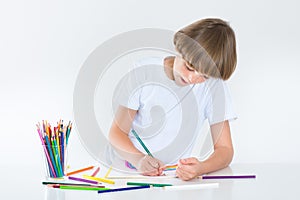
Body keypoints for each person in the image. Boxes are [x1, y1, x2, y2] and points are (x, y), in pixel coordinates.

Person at [108, 18, 237, 181]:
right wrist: (139, 159)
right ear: (179, 48)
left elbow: (225, 149)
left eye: (203, 76)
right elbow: (117, 133)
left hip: (171, 177)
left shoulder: (213, 86)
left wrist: (201, 168)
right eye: (189, 67)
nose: (191, 78)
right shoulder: (144, 72)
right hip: (125, 171)